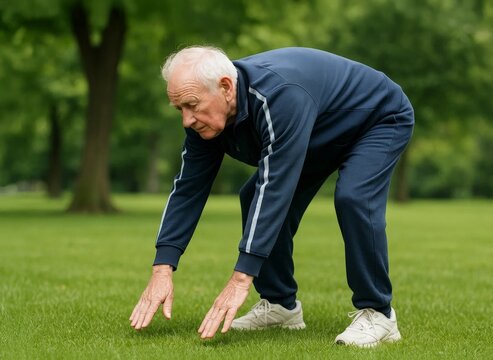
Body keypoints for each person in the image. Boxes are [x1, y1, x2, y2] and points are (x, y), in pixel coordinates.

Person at [129, 46, 414, 348]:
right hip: (320, 128)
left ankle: (379, 314)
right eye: (180, 109)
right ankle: (280, 306)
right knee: (253, 196)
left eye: (192, 105)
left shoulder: (278, 96)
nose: (187, 119)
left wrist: (241, 279)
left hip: (378, 118)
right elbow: (188, 188)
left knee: (353, 197)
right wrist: (163, 267)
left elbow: (274, 186)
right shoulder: (206, 119)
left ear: (225, 87)